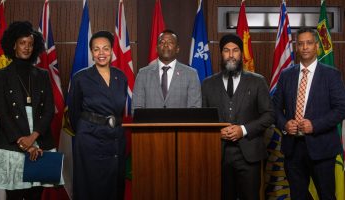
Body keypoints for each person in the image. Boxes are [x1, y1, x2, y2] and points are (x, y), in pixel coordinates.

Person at [273, 27, 345, 199]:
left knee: (326, 195)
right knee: (298, 196)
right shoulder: (286, 75)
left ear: (317, 47)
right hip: (293, 149)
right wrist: (284, 124)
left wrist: (315, 125)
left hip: (322, 148)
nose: (305, 47)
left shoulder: (331, 75)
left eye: (309, 43)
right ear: (297, 48)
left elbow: (341, 109)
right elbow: (274, 108)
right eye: (301, 44)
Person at [202, 34, 274, 200]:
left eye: (235, 50)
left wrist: (243, 130)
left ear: (241, 54)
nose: (231, 54)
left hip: (249, 154)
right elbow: (202, 119)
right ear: (221, 54)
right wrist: (216, 132)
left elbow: (270, 115)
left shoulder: (257, 81)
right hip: (218, 154)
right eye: (226, 51)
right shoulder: (207, 84)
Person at [0, 21, 56, 200]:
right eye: (22, 43)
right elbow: (1, 112)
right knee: (14, 195)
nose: (27, 47)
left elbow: (49, 110)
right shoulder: (0, 76)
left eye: (30, 44)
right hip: (11, 141)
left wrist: (33, 138)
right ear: (13, 45)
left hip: (39, 138)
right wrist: (23, 142)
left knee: (36, 194)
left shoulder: (43, 75)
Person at [68, 31, 127, 200]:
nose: (101, 53)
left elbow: (119, 110)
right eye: (96, 49)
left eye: (106, 48)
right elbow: (73, 112)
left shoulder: (121, 77)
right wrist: (87, 130)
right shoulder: (81, 77)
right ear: (92, 53)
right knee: (90, 187)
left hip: (115, 138)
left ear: (112, 51)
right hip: (89, 139)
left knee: (114, 187)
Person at [132, 29, 201, 111]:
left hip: (179, 123)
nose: (165, 45)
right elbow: (136, 109)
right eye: (162, 42)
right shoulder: (143, 74)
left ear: (177, 49)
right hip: (151, 123)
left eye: (170, 42)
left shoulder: (191, 74)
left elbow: (195, 109)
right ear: (156, 49)